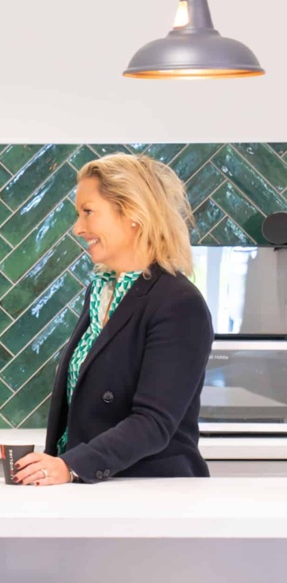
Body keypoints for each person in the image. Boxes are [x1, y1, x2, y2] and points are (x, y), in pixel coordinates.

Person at [14, 153, 213, 486]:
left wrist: (71, 465)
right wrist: (61, 463)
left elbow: (153, 423)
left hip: (153, 492)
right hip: (95, 488)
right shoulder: (101, 290)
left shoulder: (179, 303)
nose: (78, 228)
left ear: (132, 213)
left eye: (88, 212)